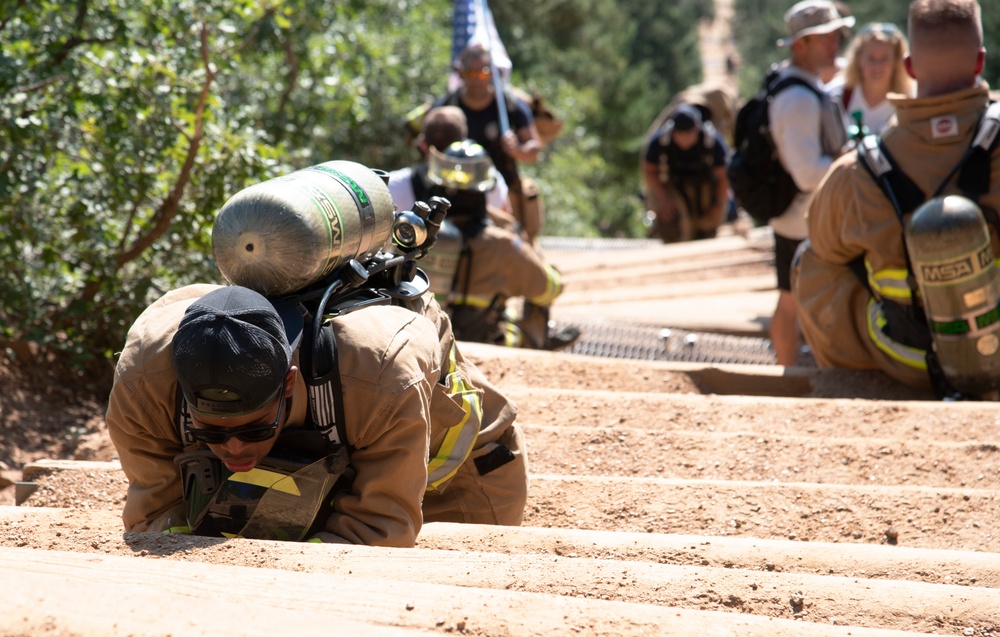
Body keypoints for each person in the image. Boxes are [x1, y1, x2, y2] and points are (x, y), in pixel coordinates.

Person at [106, 277, 528, 545]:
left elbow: (383, 527)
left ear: (288, 384)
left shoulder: (381, 374)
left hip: (453, 483)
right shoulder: (143, 383)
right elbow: (156, 517)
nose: (233, 449)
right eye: (211, 432)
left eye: (254, 428)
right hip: (314, 480)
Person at [795, 0, 995, 391]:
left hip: (910, 362)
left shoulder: (860, 170)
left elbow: (819, 243)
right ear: (980, 62)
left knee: (812, 260)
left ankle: (856, 384)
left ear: (909, 67)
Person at [419, 139, 578, 351]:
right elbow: (548, 289)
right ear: (484, 187)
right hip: (483, 347)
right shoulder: (502, 243)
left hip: (424, 341)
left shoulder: (417, 234)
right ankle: (541, 348)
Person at [767, 0, 851, 366]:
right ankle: (791, 374)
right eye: (824, 38)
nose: (834, 44)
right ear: (801, 45)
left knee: (790, 297)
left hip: (800, 216)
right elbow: (806, 173)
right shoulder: (799, 98)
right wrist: (850, 162)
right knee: (793, 299)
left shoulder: (802, 87)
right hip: (805, 219)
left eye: (836, 36)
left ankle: (791, 371)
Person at [433, 44, 544, 242]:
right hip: (456, 197)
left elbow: (534, 150)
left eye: (483, 72)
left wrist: (516, 149)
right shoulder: (447, 107)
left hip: (503, 196)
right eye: (471, 72)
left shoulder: (510, 106)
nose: (477, 78)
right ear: (461, 73)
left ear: (492, 73)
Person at [388, 105, 518, 232]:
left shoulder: (391, 185)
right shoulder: (490, 181)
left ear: (423, 144)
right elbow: (507, 225)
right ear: (463, 142)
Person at [642, 103, 732, 243]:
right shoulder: (661, 141)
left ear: (697, 128)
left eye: (688, 133)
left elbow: (723, 175)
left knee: (706, 231)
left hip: (705, 189)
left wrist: (718, 204)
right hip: (672, 187)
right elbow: (649, 171)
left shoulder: (712, 140)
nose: (684, 138)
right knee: (670, 219)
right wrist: (664, 198)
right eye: (680, 134)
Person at [833, 22, 915, 139]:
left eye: (884, 59)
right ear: (858, 59)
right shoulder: (837, 95)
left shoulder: (910, 101)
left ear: (896, 61)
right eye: (871, 58)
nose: (877, 66)